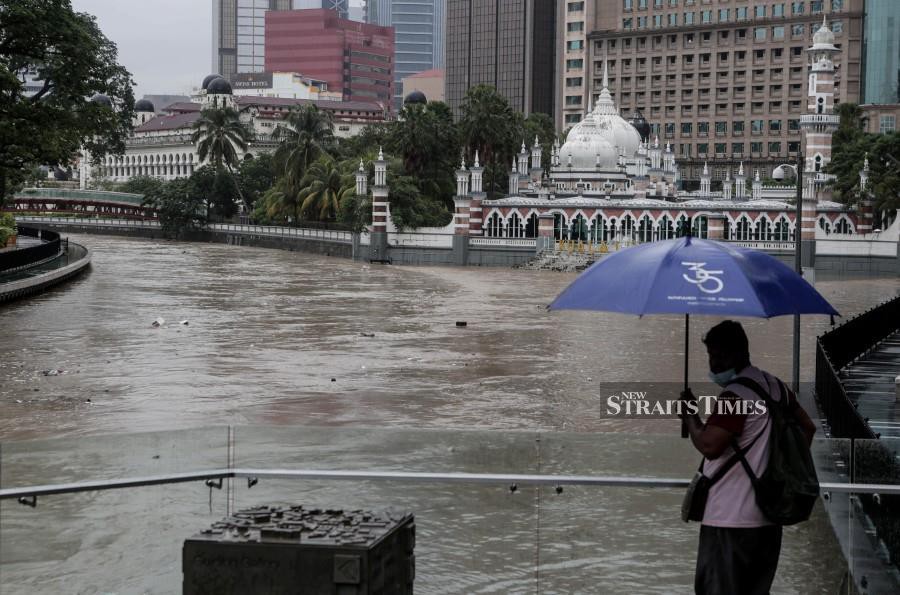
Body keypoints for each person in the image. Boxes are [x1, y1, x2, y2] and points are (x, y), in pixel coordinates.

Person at [678, 320, 816, 595]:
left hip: (729, 521)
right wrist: (778, 465)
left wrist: (690, 414)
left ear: (737, 354)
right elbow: (807, 428)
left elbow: (709, 445)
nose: (713, 364)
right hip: (768, 519)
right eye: (711, 356)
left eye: (717, 356)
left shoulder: (735, 396)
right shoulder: (775, 386)